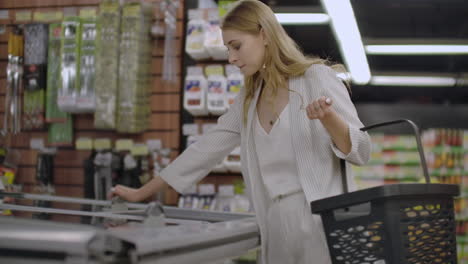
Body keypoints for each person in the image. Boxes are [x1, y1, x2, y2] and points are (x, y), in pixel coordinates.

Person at [112, 0, 371, 263]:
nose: (231, 58)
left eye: (237, 46)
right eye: (227, 48)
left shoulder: (316, 77)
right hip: (273, 225)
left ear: (265, 34)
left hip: (320, 224)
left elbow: (362, 150)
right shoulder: (249, 98)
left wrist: (329, 119)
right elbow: (205, 150)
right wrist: (141, 193)